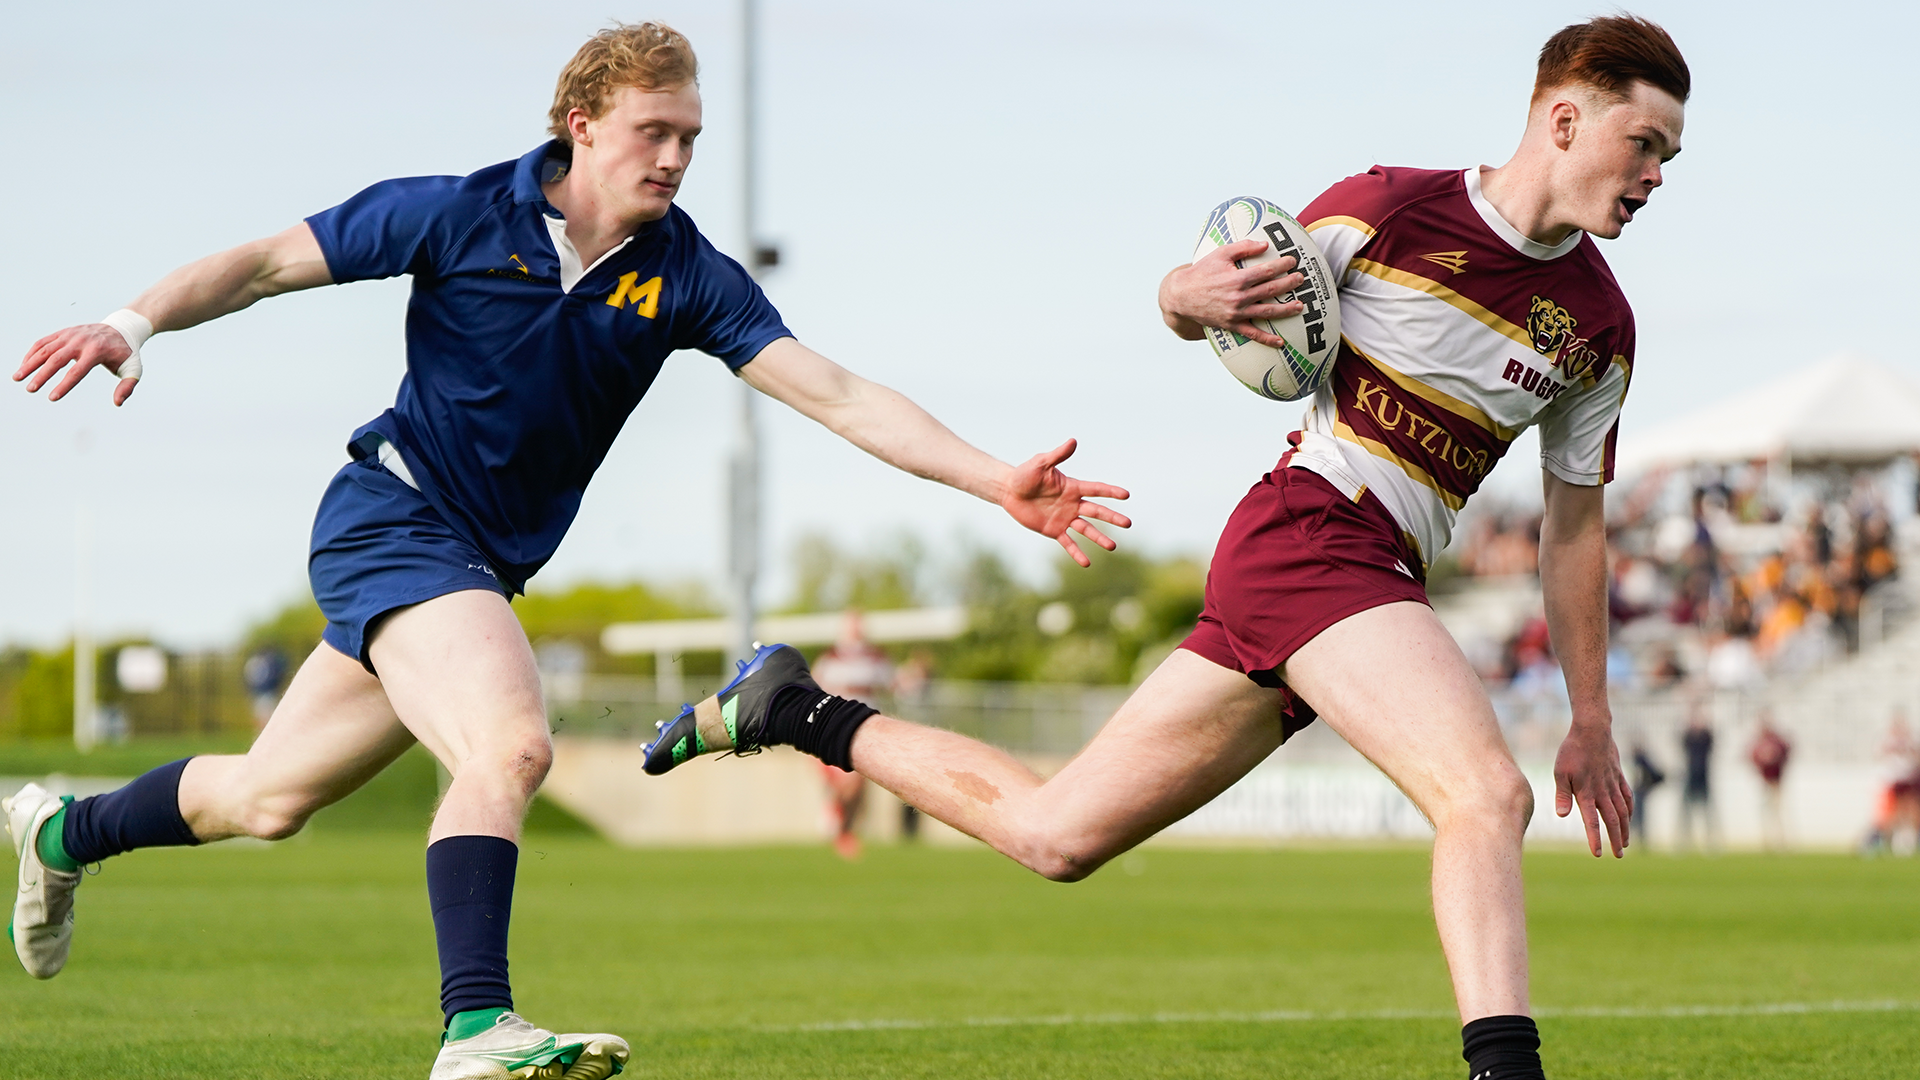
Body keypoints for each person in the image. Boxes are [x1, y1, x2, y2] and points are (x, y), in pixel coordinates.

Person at [4, 23, 1127, 1080]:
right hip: (392, 519)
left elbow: (837, 395)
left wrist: (995, 480)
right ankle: (476, 1024)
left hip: (473, 568)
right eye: (657, 131)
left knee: (263, 800)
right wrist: (133, 321)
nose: (679, 156)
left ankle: (63, 827)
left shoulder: (688, 274)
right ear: (581, 122)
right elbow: (256, 265)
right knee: (510, 744)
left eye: (691, 136)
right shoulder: (453, 214)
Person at [646, 15, 1685, 1079]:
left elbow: (1574, 531)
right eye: (1643, 144)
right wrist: (1180, 299)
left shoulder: (1601, 326)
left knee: (1058, 836)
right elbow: (1218, 302)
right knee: (1485, 793)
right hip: (1313, 535)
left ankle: (792, 708)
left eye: (1670, 158)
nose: (1655, 176)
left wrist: (1592, 717)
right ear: (1564, 120)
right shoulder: (1386, 209)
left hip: (1364, 579)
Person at [810, 611, 894, 859]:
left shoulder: (876, 658)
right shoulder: (830, 658)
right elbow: (813, 687)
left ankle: (842, 828)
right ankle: (839, 820)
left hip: (867, 727)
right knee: (848, 783)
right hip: (833, 727)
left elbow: (894, 684)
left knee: (857, 785)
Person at [1748, 710, 1791, 852]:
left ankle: (1780, 842)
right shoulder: (1759, 741)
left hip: (1776, 782)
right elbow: (1752, 757)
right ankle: (1766, 842)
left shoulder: (1778, 741)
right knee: (1765, 812)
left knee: (1777, 813)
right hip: (1764, 781)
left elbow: (1786, 753)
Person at [1678, 705, 1717, 854]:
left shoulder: (1706, 736)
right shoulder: (1688, 736)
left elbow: (1710, 738)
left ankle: (1710, 842)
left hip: (1704, 776)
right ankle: (1684, 843)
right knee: (1685, 812)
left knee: (1707, 812)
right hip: (1690, 776)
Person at [1629, 738, 1665, 848]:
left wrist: (1646, 787)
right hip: (1637, 792)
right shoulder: (1638, 760)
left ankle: (1638, 840)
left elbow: (1655, 774)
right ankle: (1636, 840)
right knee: (1636, 816)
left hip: (1640, 793)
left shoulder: (1641, 760)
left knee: (1637, 816)